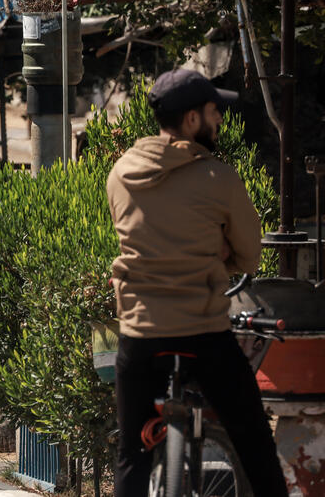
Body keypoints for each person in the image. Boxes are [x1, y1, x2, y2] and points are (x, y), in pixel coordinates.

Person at [107, 69, 287, 497]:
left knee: (132, 453)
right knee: (255, 443)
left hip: (140, 335)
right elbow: (249, 254)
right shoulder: (218, 178)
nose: (218, 120)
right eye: (212, 111)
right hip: (203, 334)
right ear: (191, 120)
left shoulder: (121, 173)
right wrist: (217, 256)